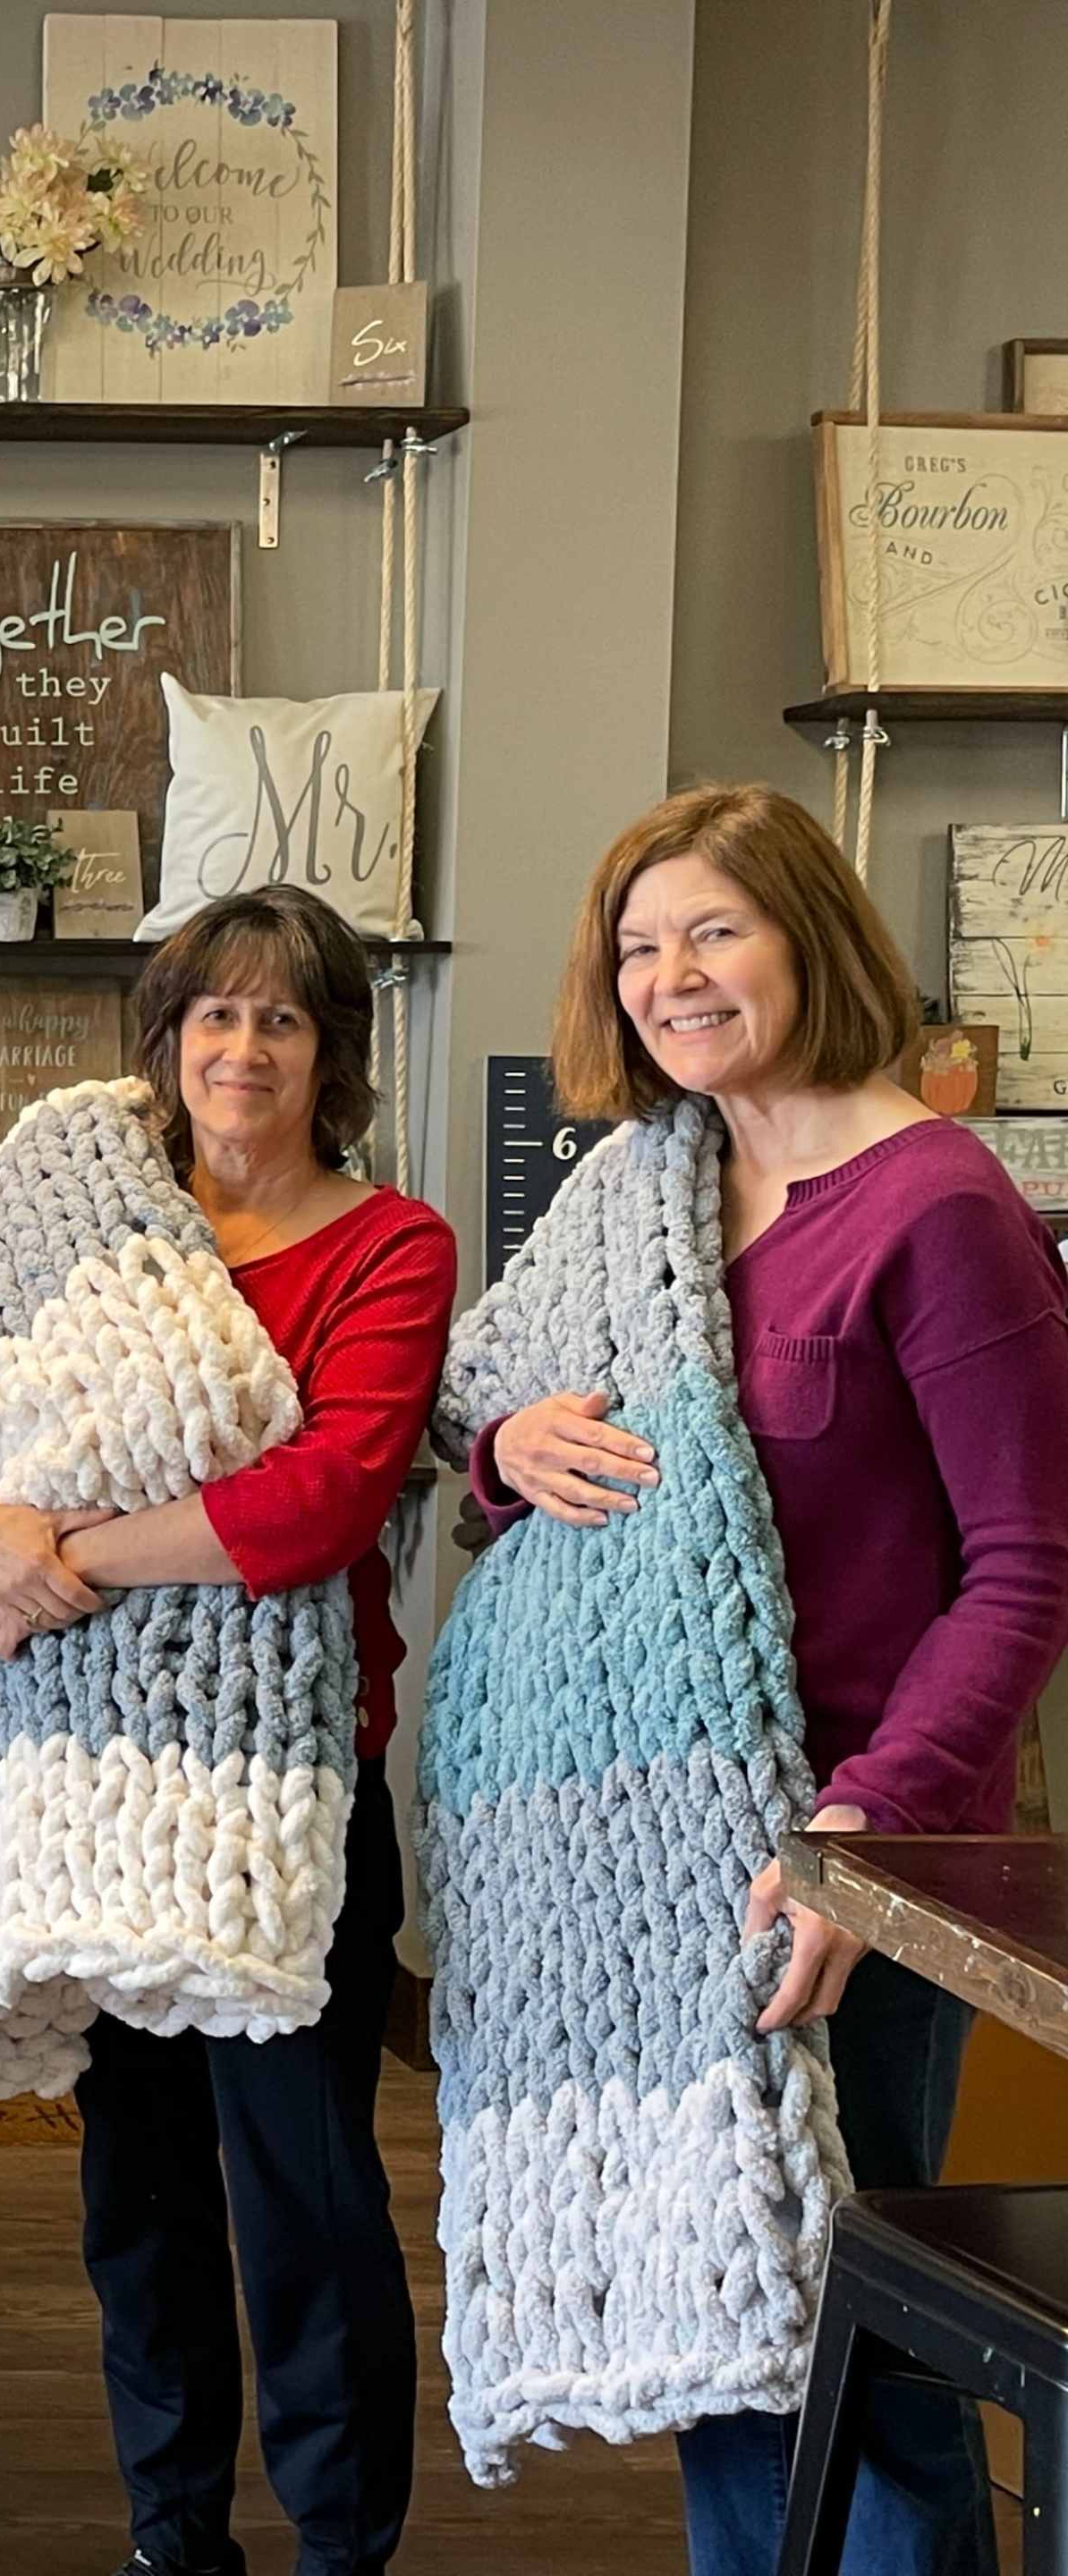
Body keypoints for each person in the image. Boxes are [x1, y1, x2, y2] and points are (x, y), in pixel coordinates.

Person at [473, 784, 1068, 2576]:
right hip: (658, 1852)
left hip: (856, 1865)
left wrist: (856, 1843)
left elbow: (1030, 1569)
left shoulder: (936, 1206)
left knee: (861, 2359)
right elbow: (482, 1395)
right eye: (641, 946)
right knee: (735, 2329)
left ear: (811, 934)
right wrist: (508, 1443)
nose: (673, 976)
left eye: (714, 931)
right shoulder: (641, 1189)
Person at [0, 885, 452, 2576]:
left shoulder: (392, 1245)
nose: (243, 1049)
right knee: (139, 2194)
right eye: (213, 1017)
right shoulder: (95, 1230)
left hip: (289, 1800)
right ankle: (172, 2528)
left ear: (332, 1057)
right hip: (89, 1786)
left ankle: (339, 2542)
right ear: (168, 1044)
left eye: (283, 1020)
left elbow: (315, 1500)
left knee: (303, 2196)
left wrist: (57, 1553)